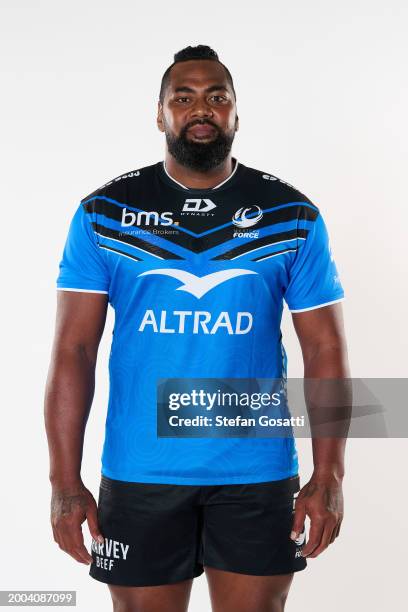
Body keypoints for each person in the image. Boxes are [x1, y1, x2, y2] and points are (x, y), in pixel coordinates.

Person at [44, 44, 350, 612]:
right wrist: (65, 482)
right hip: (141, 472)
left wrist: (328, 474)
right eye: (182, 98)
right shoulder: (105, 212)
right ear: (159, 114)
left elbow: (325, 348)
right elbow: (74, 351)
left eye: (217, 97)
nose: (200, 108)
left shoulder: (290, 214)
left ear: (236, 113)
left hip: (256, 473)